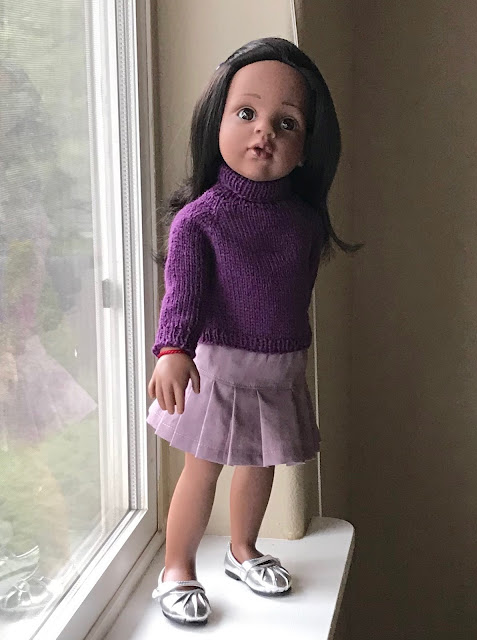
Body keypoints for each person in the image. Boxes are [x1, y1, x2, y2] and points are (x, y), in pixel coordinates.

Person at [147, 37, 361, 625]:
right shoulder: (200, 220)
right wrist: (172, 349)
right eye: (246, 113)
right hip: (216, 368)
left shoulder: (304, 224)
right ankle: (177, 567)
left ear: (307, 146)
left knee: (260, 463)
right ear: (216, 120)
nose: (263, 131)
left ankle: (243, 550)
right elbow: (183, 294)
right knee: (202, 467)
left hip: (278, 365)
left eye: (286, 123)